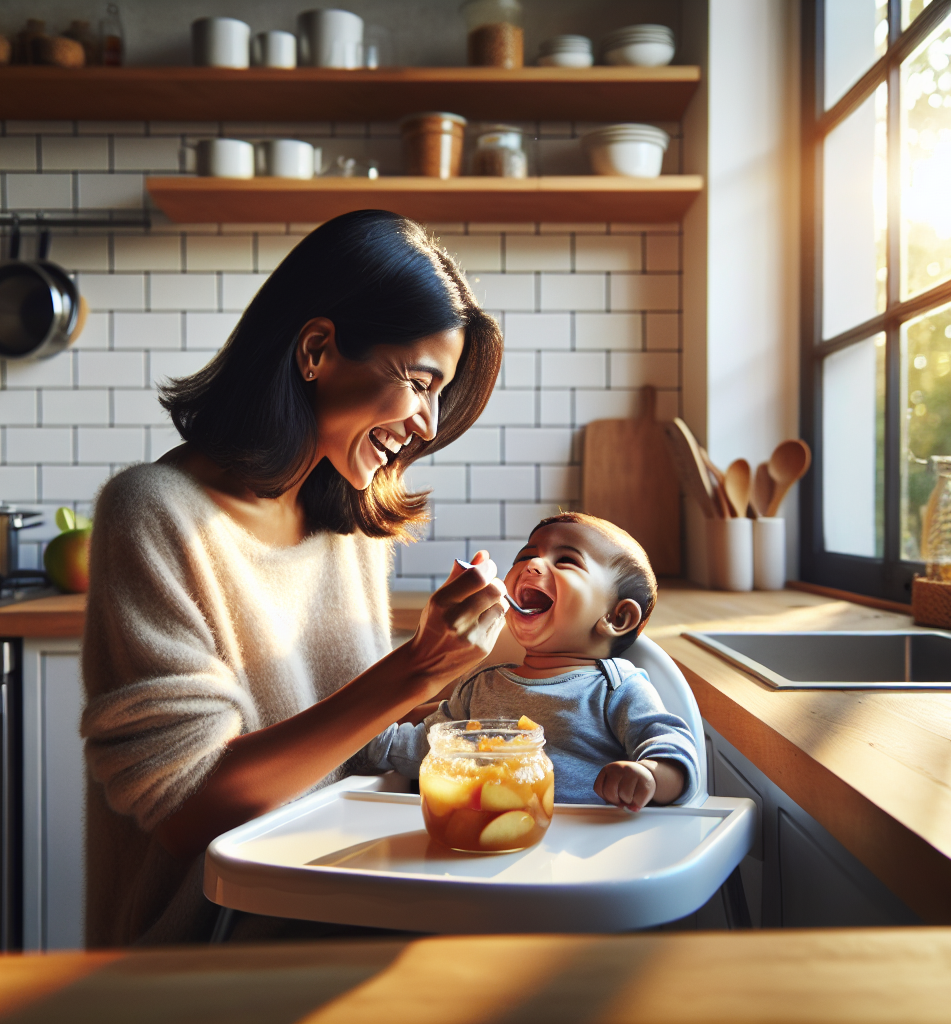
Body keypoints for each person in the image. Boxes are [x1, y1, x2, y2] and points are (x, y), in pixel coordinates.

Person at [80, 210, 507, 946]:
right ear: (317, 350)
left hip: (345, 905)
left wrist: (475, 687)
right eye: (420, 382)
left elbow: (357, 742)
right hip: (207, 955)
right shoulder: (154, 514)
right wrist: (416, 669)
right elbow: (193, 811)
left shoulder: (351, 524)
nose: (429, 425)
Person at [364, 512, 701, 811]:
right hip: (483, 841)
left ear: (617, 616)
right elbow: (429, 747)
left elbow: (672, 748)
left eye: (566, 560)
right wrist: (362, 737)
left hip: (585, 857)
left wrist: (649, 775)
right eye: (526, 555)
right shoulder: (480, 685)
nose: (532, 565)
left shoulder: (617, 688)